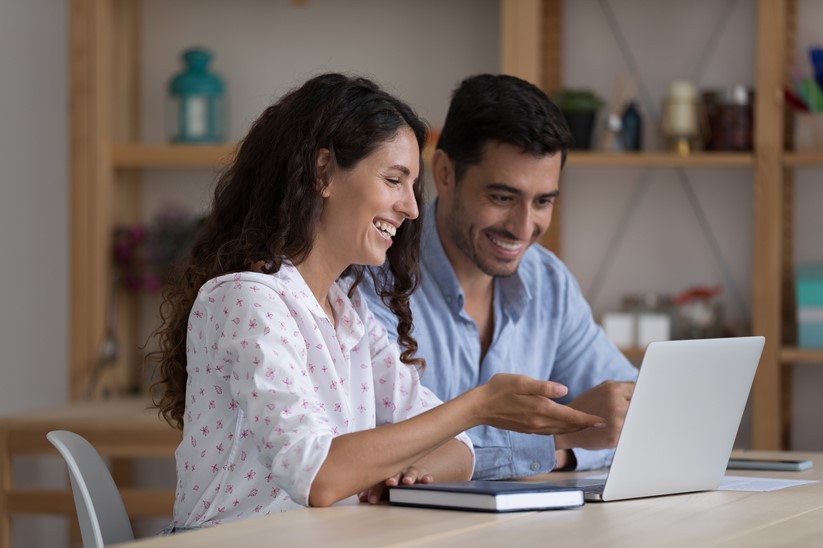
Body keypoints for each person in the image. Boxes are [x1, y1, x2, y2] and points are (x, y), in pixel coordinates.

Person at [149, 73, 606, 529]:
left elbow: (459, 446)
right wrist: (479, 404)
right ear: (323, 172)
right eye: (394, 180)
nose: (411, 208)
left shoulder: (347, 310)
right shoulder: (247, 298)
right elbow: (320, 477)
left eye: (412, 186)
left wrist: (405, 467)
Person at [361, 73, 638, 481]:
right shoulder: (372, 280)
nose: (524, 228)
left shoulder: (548, 282)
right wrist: (560, 440)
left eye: (543, 201)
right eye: (503, 197)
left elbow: (635, 420)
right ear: (444, 173)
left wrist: (563, 449)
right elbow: (385, 455)